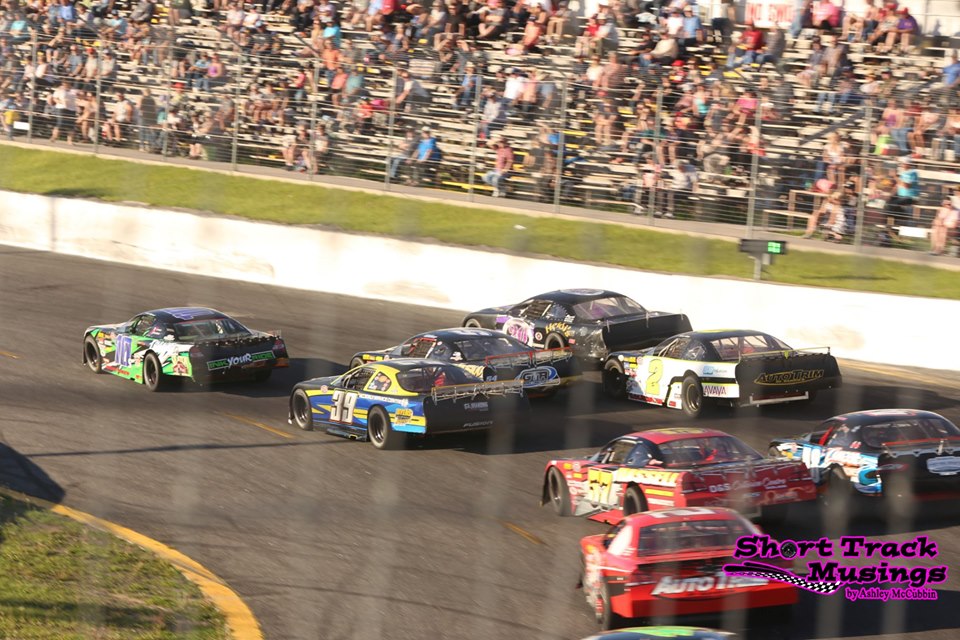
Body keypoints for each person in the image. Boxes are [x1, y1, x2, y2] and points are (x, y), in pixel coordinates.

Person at [930, 189, 959, 255]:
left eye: (948, 204)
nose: (947, 204)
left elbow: (953, 221)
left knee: (941, 234)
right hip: (940, 224)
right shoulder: (941, 209)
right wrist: (936, 220)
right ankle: (934, 249)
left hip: (946, 226)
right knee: (935, 233)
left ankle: (938, 250)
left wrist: (942, 221)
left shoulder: (952, 210)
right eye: (945, 203)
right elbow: (937, 217)